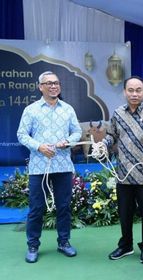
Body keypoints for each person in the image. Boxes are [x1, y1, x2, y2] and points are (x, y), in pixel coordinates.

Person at [17, 71, 82, 263]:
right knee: (36, 208)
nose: (53, 86)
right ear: (40, 87)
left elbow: (77, 131)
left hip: (63, 165)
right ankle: (33, 245)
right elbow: (22, 134)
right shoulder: (31, 110)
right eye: (49, 83)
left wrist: (67, 141)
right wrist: (39, 146)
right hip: (39, 167)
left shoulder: (68, 109)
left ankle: (64, 242)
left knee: (64, 207)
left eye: (56, 83)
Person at [103, 76, 143, 264]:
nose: (134, 93)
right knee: (124, 212)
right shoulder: (117, 114)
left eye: (138, 90)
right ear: (124, 92)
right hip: (123, 174)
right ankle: (126, 245)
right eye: (130, 90)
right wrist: (103, 145)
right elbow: (111, 136)